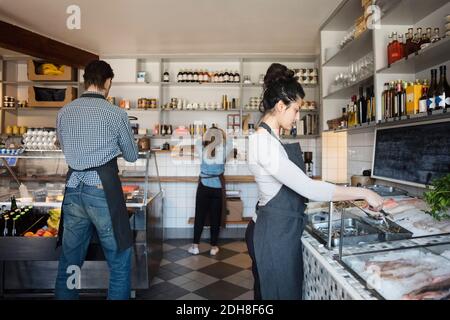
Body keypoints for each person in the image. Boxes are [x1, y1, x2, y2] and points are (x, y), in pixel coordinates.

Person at [245, 63, 384, 300]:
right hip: (274, 234)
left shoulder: (271, 137)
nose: (298, 117)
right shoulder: (263, 142)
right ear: (280, 106)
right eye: (296, 110)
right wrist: (363, 193)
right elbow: (307, 187)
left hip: (281, 229)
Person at [55, 60, 139, 300]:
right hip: (102, 189)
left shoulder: (64, 112)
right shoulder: (116, 113)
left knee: (70, 263)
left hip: (73, 189)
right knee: (119, 260)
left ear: (85, 81)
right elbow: (132, 156)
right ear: (108, 82)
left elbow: (62, 146)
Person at [188, 125, 234, 256]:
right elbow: (230, 141)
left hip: (203, 186)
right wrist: (222, 134)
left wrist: (207, 135)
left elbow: (198, 140)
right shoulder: (224, 149)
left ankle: (195, 246)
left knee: (200, 217)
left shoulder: (201, 147)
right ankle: (214, 247)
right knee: (216, 218)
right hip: (217, 187)